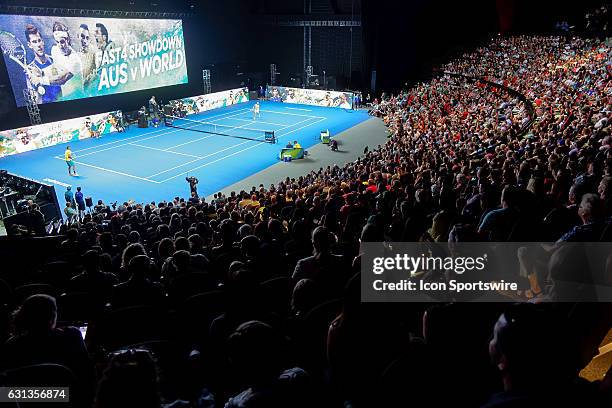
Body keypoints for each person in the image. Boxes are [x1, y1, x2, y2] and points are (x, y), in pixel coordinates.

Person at [24, 24, 68, 104]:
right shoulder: (30, 70)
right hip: (47, 110)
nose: (38, 45)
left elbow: (63, 80)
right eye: (34, 42)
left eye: (39, 40)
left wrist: (41, 78)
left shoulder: (54, 60)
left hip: (63, 103)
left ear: (43, 41)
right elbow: (36, 102)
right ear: (29, 45)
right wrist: (36, 86)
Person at [50, 22, 83, 100]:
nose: (60, 46)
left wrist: (40, 80)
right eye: (57, 42)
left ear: (67, 40)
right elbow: (55, 68)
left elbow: (62, 80)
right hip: (64, 98)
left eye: (62, 42)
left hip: (78, 98)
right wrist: (42, 72)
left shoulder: (75, 60)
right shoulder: (54, 50)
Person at [78, 24, 97, 89]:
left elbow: (96, 70)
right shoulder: (74, 53)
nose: (84, 41)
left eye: (87, 38)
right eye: (82, 37)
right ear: (78, 36)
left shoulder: (93, 51)